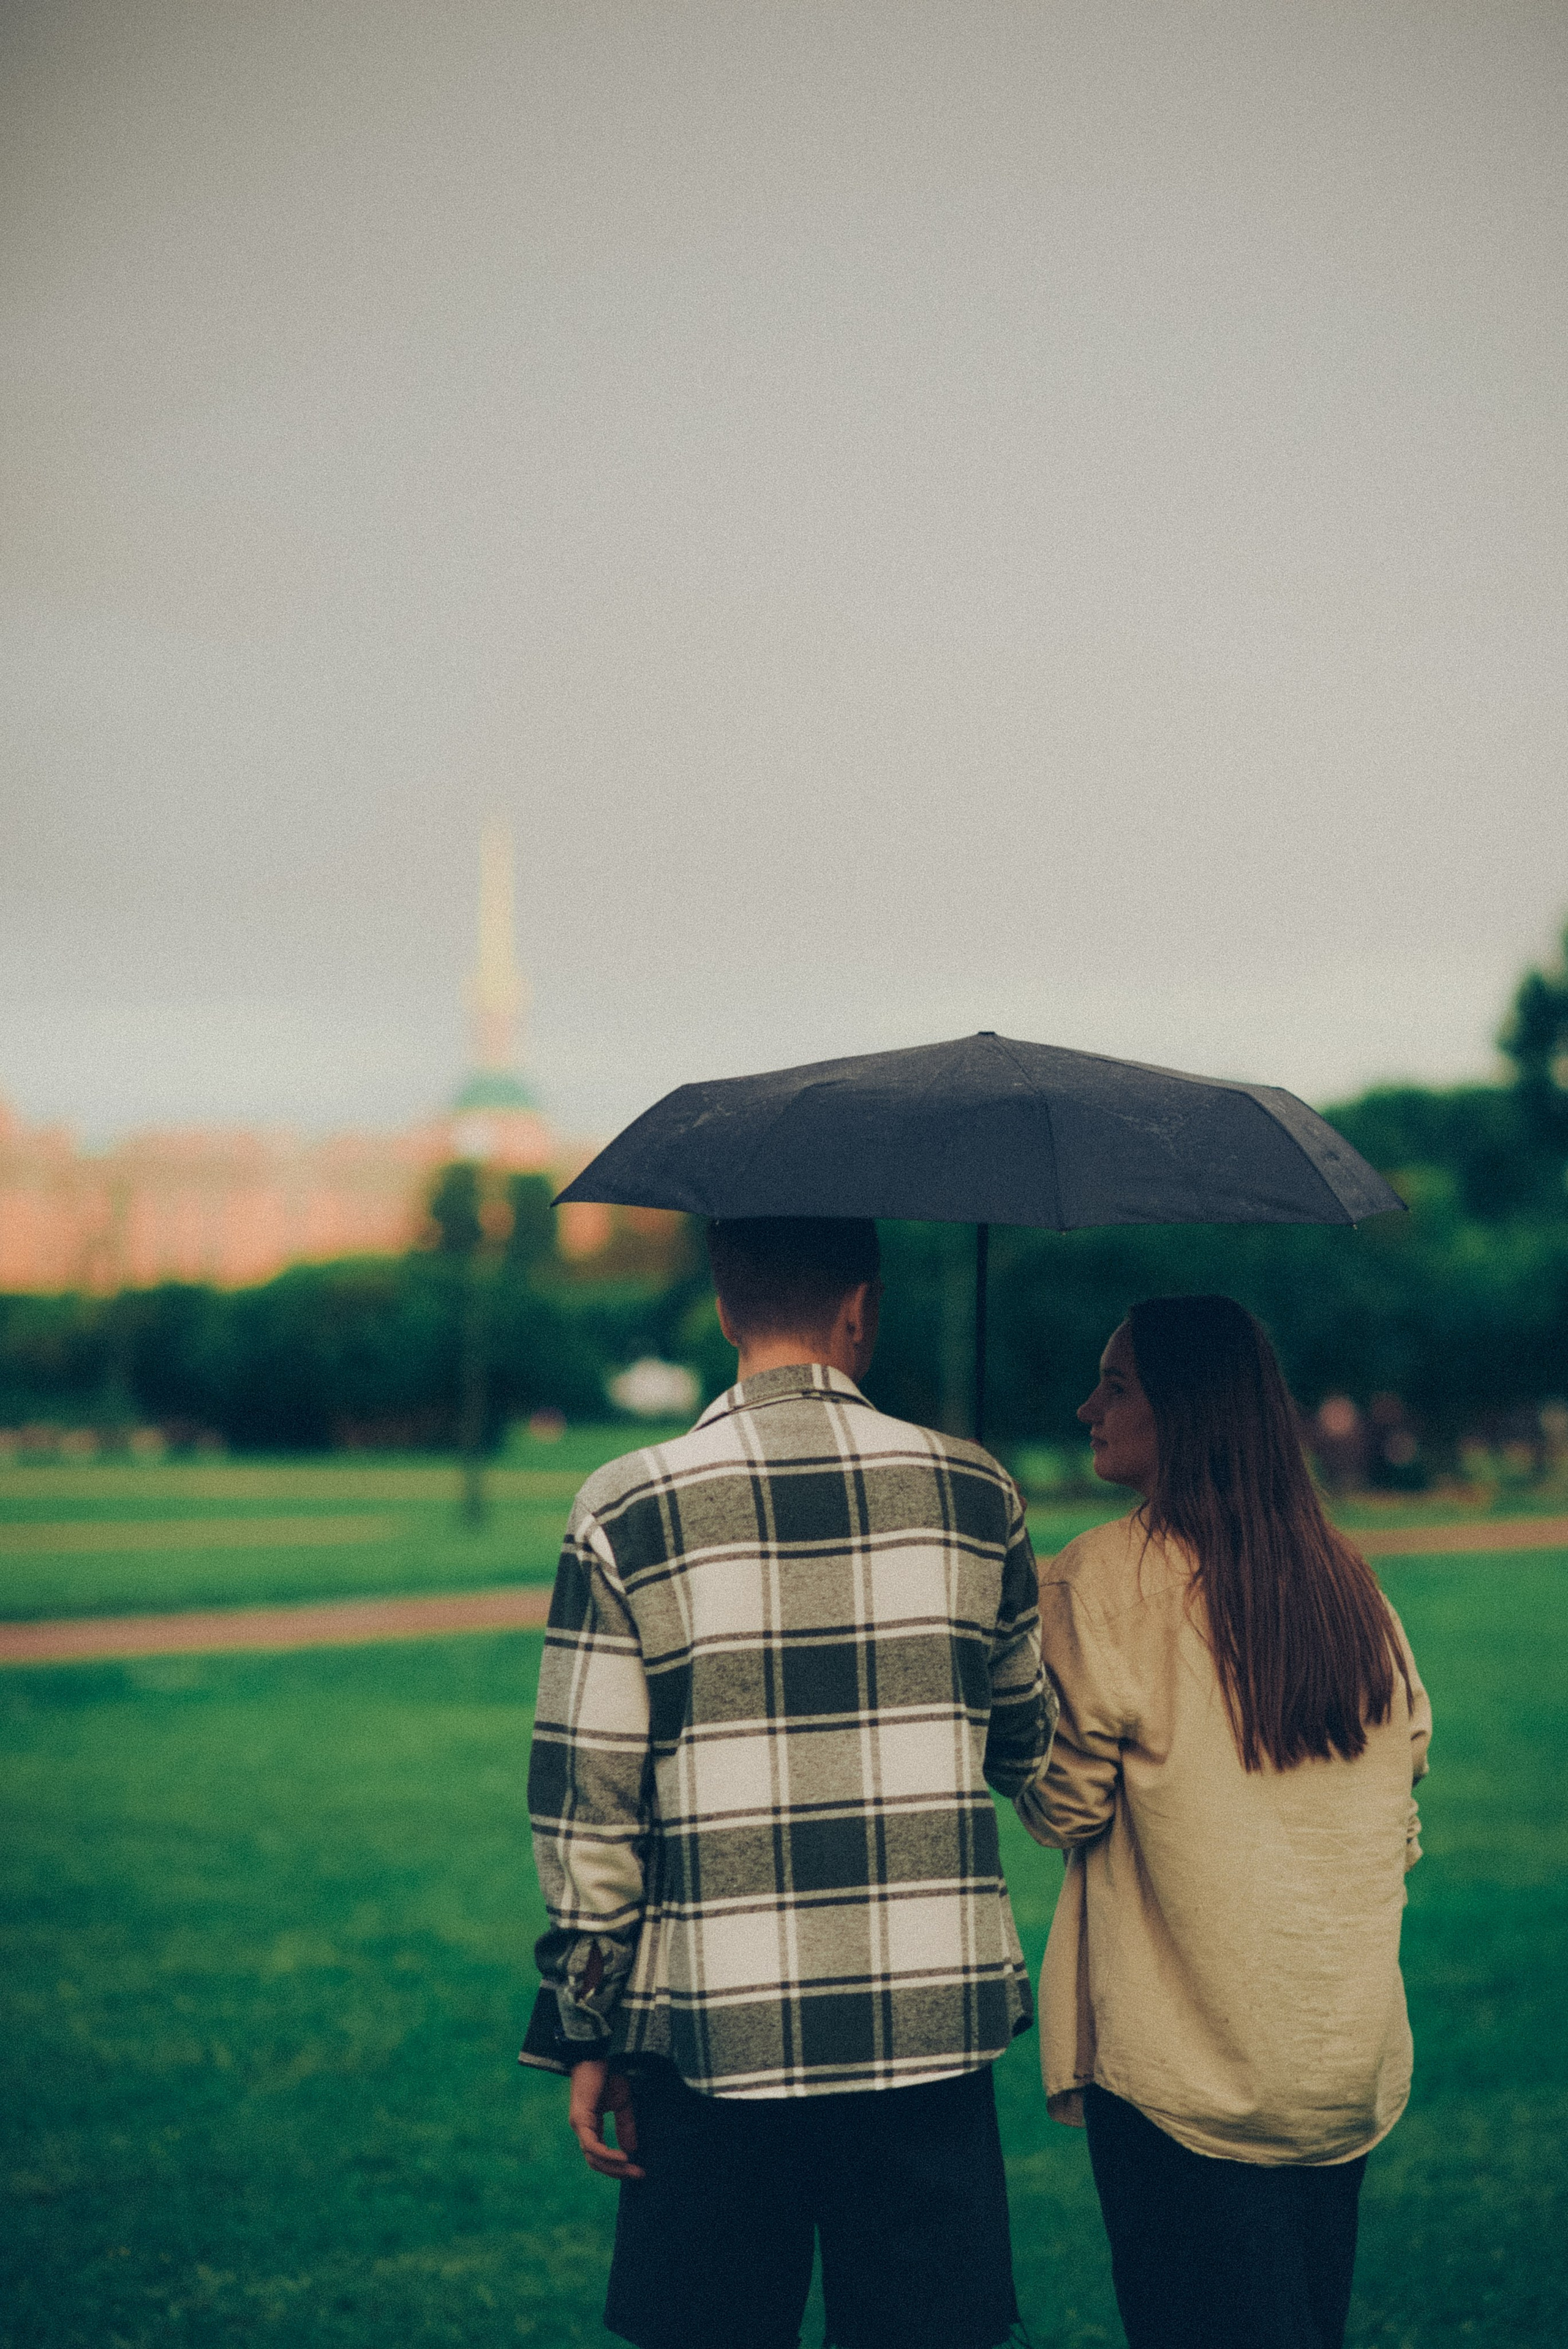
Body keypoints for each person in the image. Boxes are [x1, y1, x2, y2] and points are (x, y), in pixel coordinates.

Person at [522, 1215, 1056, 2349]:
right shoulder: (979, 1492)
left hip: (714, 2027)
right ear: (860, 1308)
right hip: (930, 2021)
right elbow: (1023, 1745)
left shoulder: (624, 1506)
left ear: (724, 1306)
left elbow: (591, 1807)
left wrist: (585, 2025)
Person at [1019, 1295, 1431, 2349]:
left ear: (1189, 1408)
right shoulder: (1353, 1586)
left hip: (1182, 2079)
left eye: (1116, 1385)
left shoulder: (1102, 1577)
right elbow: (1401, 1808)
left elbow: (1063, 1805)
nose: (1086, 1407)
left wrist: (1005, 1697)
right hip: (1338, 2066)